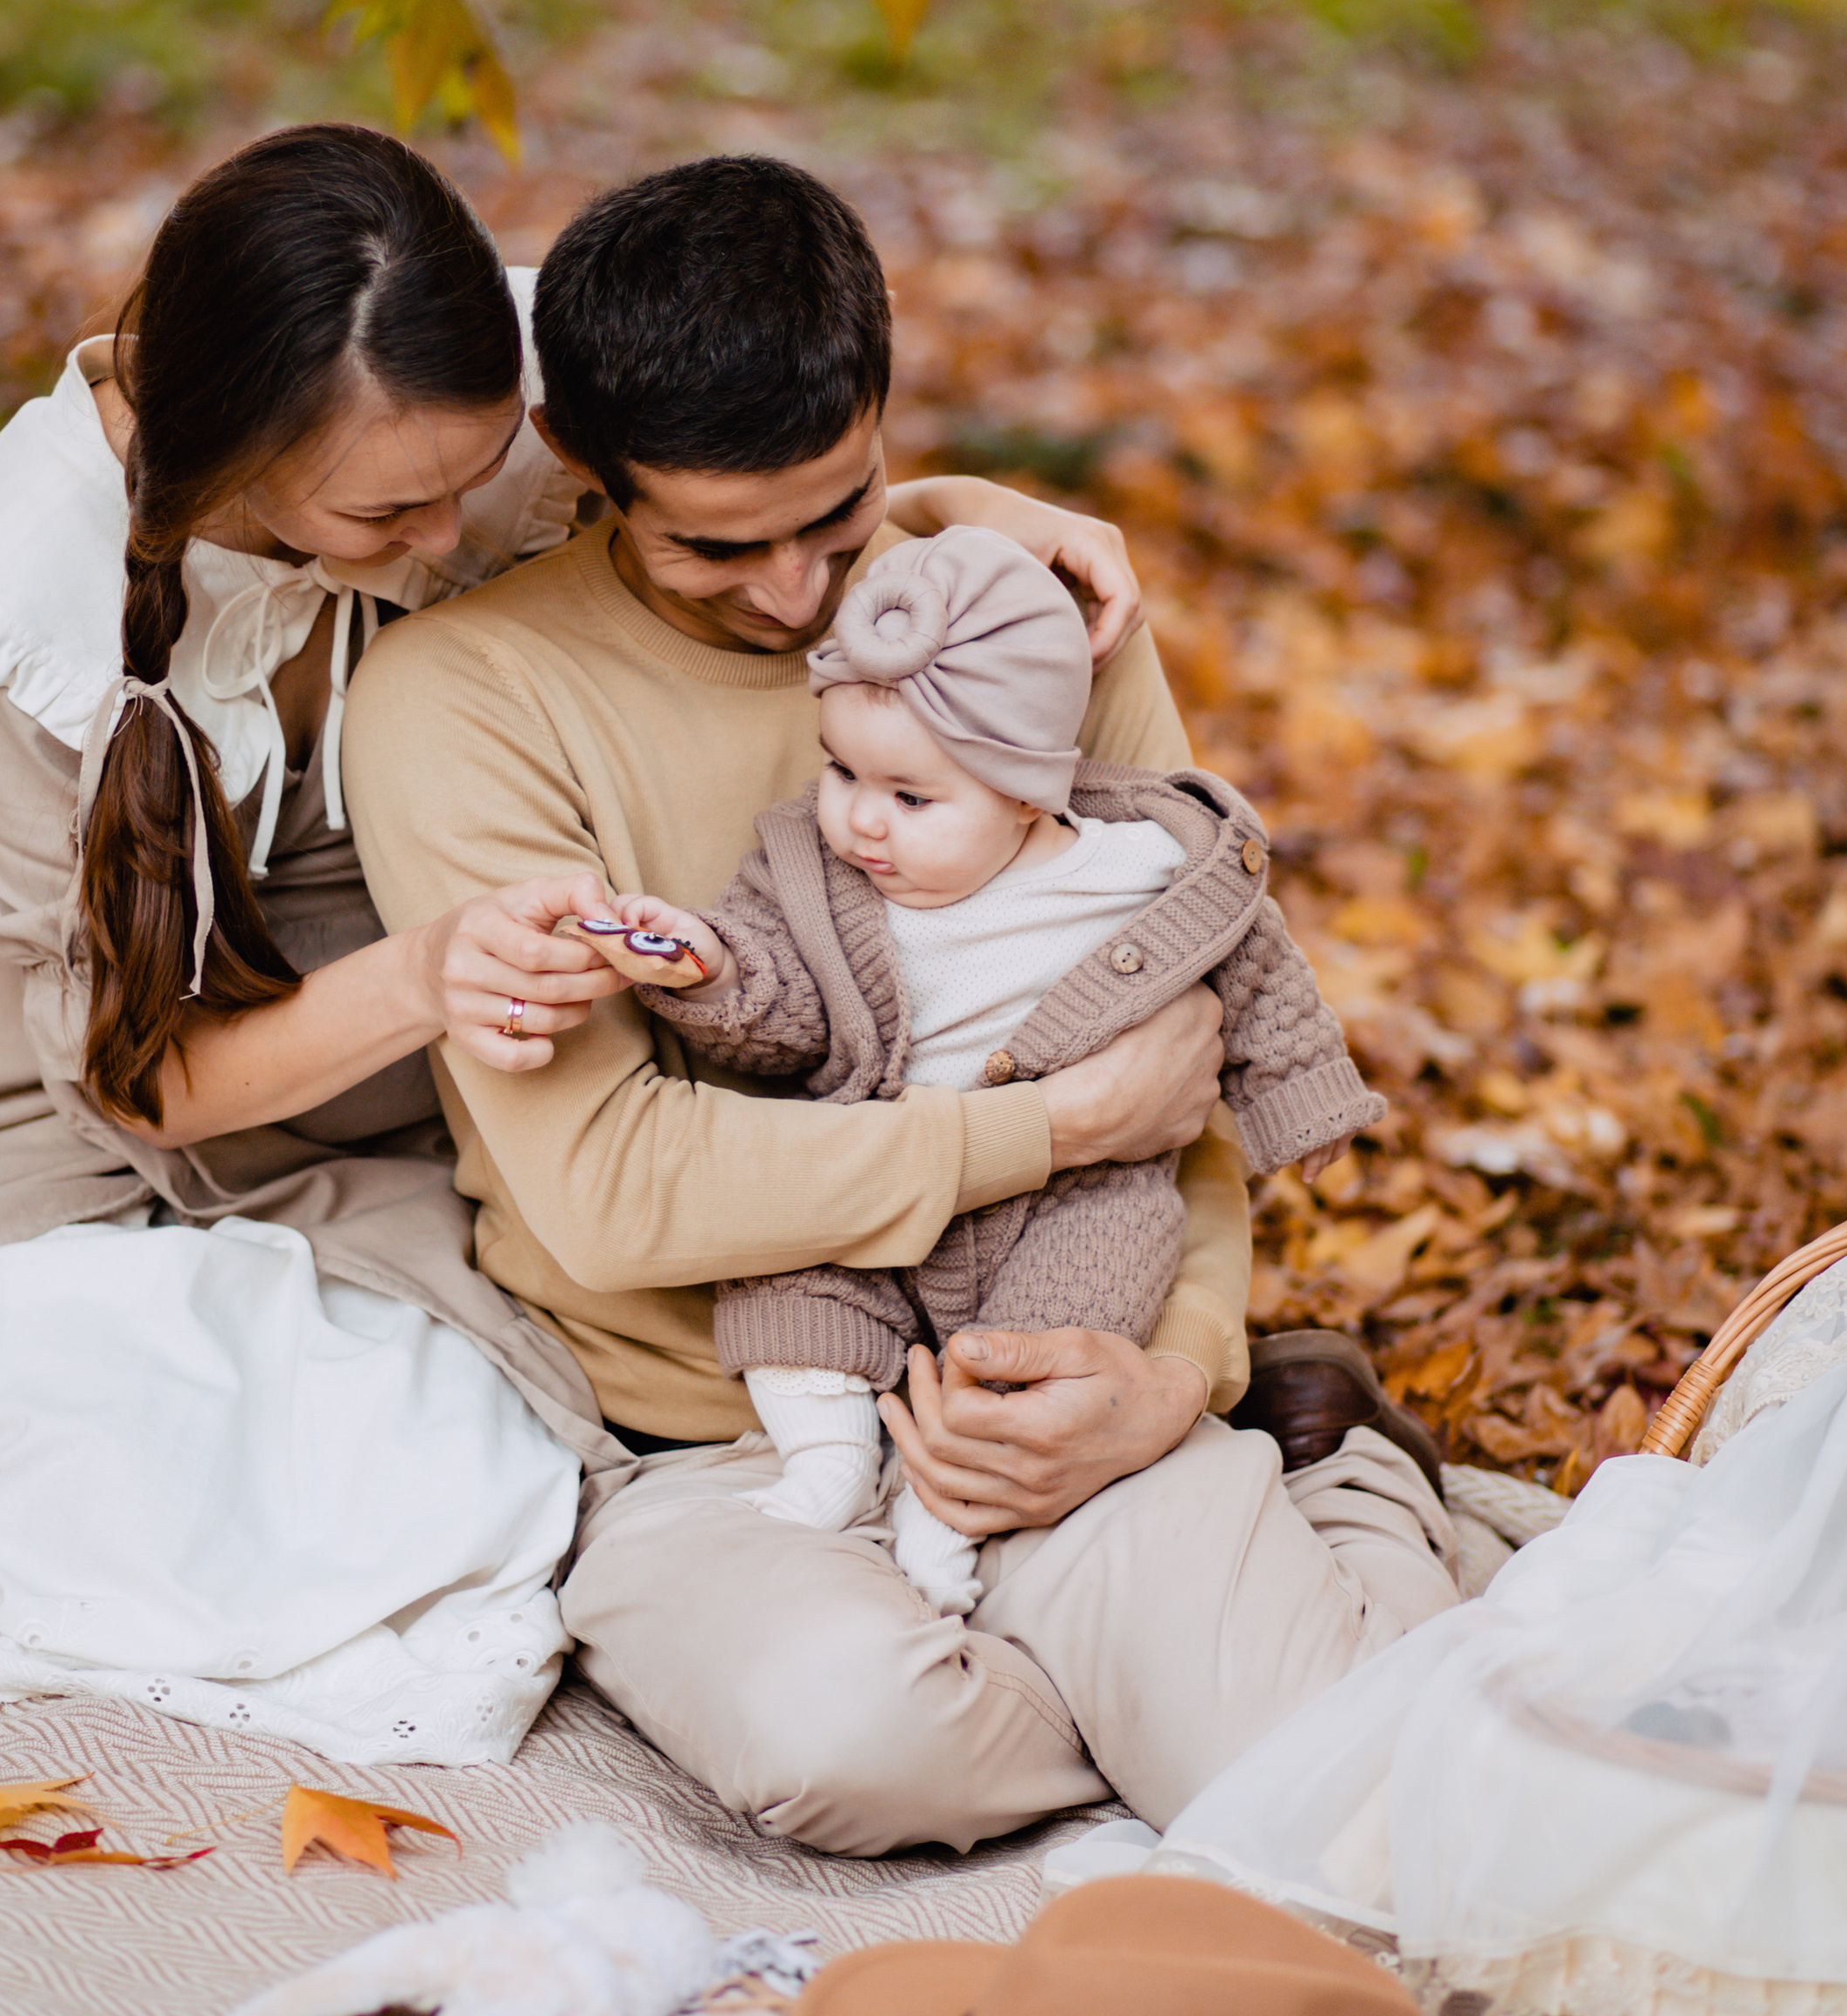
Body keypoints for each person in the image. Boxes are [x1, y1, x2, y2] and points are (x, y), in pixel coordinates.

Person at [0, 125, 1129, 1769]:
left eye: (478, 479)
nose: (453, 541)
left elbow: (753, 490)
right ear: (226, 451)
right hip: (89, 1108)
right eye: (391, 511)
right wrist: (428, 973)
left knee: (445, 1466)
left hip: (436, 1100)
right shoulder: (27, 616)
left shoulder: (477, 374)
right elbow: (137, 1084)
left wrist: (972, 510)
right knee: (138, 1447)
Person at [343, 153, 1464, 1854]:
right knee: (850, 1750)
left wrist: (1168, 1376)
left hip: (1050, 1355)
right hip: (705, 1418)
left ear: (882, 412)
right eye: (720, 545)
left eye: (839, 517)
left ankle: (1325, 1482)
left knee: (1310, 1779)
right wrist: (1045, 1129)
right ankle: (1154, 1640)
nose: (798, 599)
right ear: (579, 463)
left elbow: (1184, 1055)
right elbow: (615, 1187)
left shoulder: (1019, 615)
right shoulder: (462, 702)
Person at [594, 524, 1394, 1619]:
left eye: (911, 799)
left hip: (1074, 1194)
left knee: (1083, 1297)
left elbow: (1256, 973)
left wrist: (1300, 1097)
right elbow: (778, 1016)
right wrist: (709, 966)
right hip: (877, 1173)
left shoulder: (1142, 869)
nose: (861, 820)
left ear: (1026, 794)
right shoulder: (815, 880)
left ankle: (951, 1501)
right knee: (786, 1284)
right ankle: (824, 1456)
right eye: (839, 771)